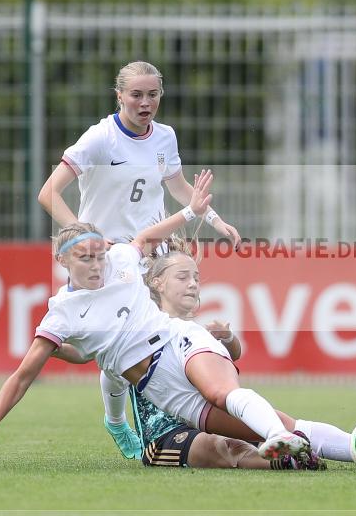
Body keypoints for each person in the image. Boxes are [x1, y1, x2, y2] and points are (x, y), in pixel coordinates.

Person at [0, 171, 311, 462]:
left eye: (98, 255)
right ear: (62, 260)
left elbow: (145, 237)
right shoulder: (62, 313)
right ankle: (116, 420)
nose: (96, 264)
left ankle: (301, 445)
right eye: (85, 257)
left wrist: (192, 213)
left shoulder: (122, 261)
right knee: (113, 366)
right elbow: (21, 377)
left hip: (159, 356)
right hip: (137, 375)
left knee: (220, 411)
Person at [37, 61, 242, 459]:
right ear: (119, 96)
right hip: (108, 262)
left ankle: (173, 421)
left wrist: (216, 219)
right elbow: (48, 194)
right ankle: (116, 421)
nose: (145, 102)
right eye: (136, 94)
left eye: (152, 94)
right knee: (114, 353)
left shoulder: (164, 137)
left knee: (168, 336)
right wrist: (86, 235)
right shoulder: (99, 139)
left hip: (153, 254)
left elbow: (181, 190)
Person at [55, 238, 356, 471]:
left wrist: (228, 337)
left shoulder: (189, 333)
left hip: (204, 412)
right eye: (184, 277)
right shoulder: (134, 335)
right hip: (165, 435)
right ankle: (286, 458)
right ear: (156, 284)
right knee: (222, 447)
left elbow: (233, 358)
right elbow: (109, 375)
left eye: (196, 278)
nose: (193, 284)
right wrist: (117, 424)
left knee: (283, 423)